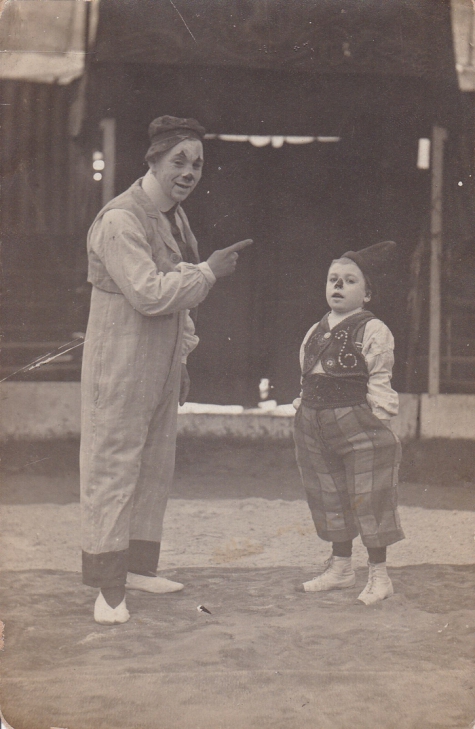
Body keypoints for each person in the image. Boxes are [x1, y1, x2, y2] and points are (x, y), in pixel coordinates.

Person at [80, 116, 252, 624]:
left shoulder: (174, 217)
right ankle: (108, 593)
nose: (189, 171)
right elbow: (150, 293)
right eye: (178, 160)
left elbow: (177, 302)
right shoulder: (120, 219)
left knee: (154, 464)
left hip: (158, 358)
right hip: (119, 360)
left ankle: (135, 568)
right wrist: (208, 271)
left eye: (197, 163)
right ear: (152, 159)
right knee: (114, 467)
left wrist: (180, 360)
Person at [293, 241, 404, 605]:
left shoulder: (373, 330)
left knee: (368, 496)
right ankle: (341, 568)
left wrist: (377, 420)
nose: (338, 286)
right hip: (313, 421)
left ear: (367, 293)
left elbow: (380, 379)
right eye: (333, 279)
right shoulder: (315, 329)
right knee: (328, 494)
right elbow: (307, 374)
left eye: (350, 281)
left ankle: (379, 576)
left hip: (355, 421)